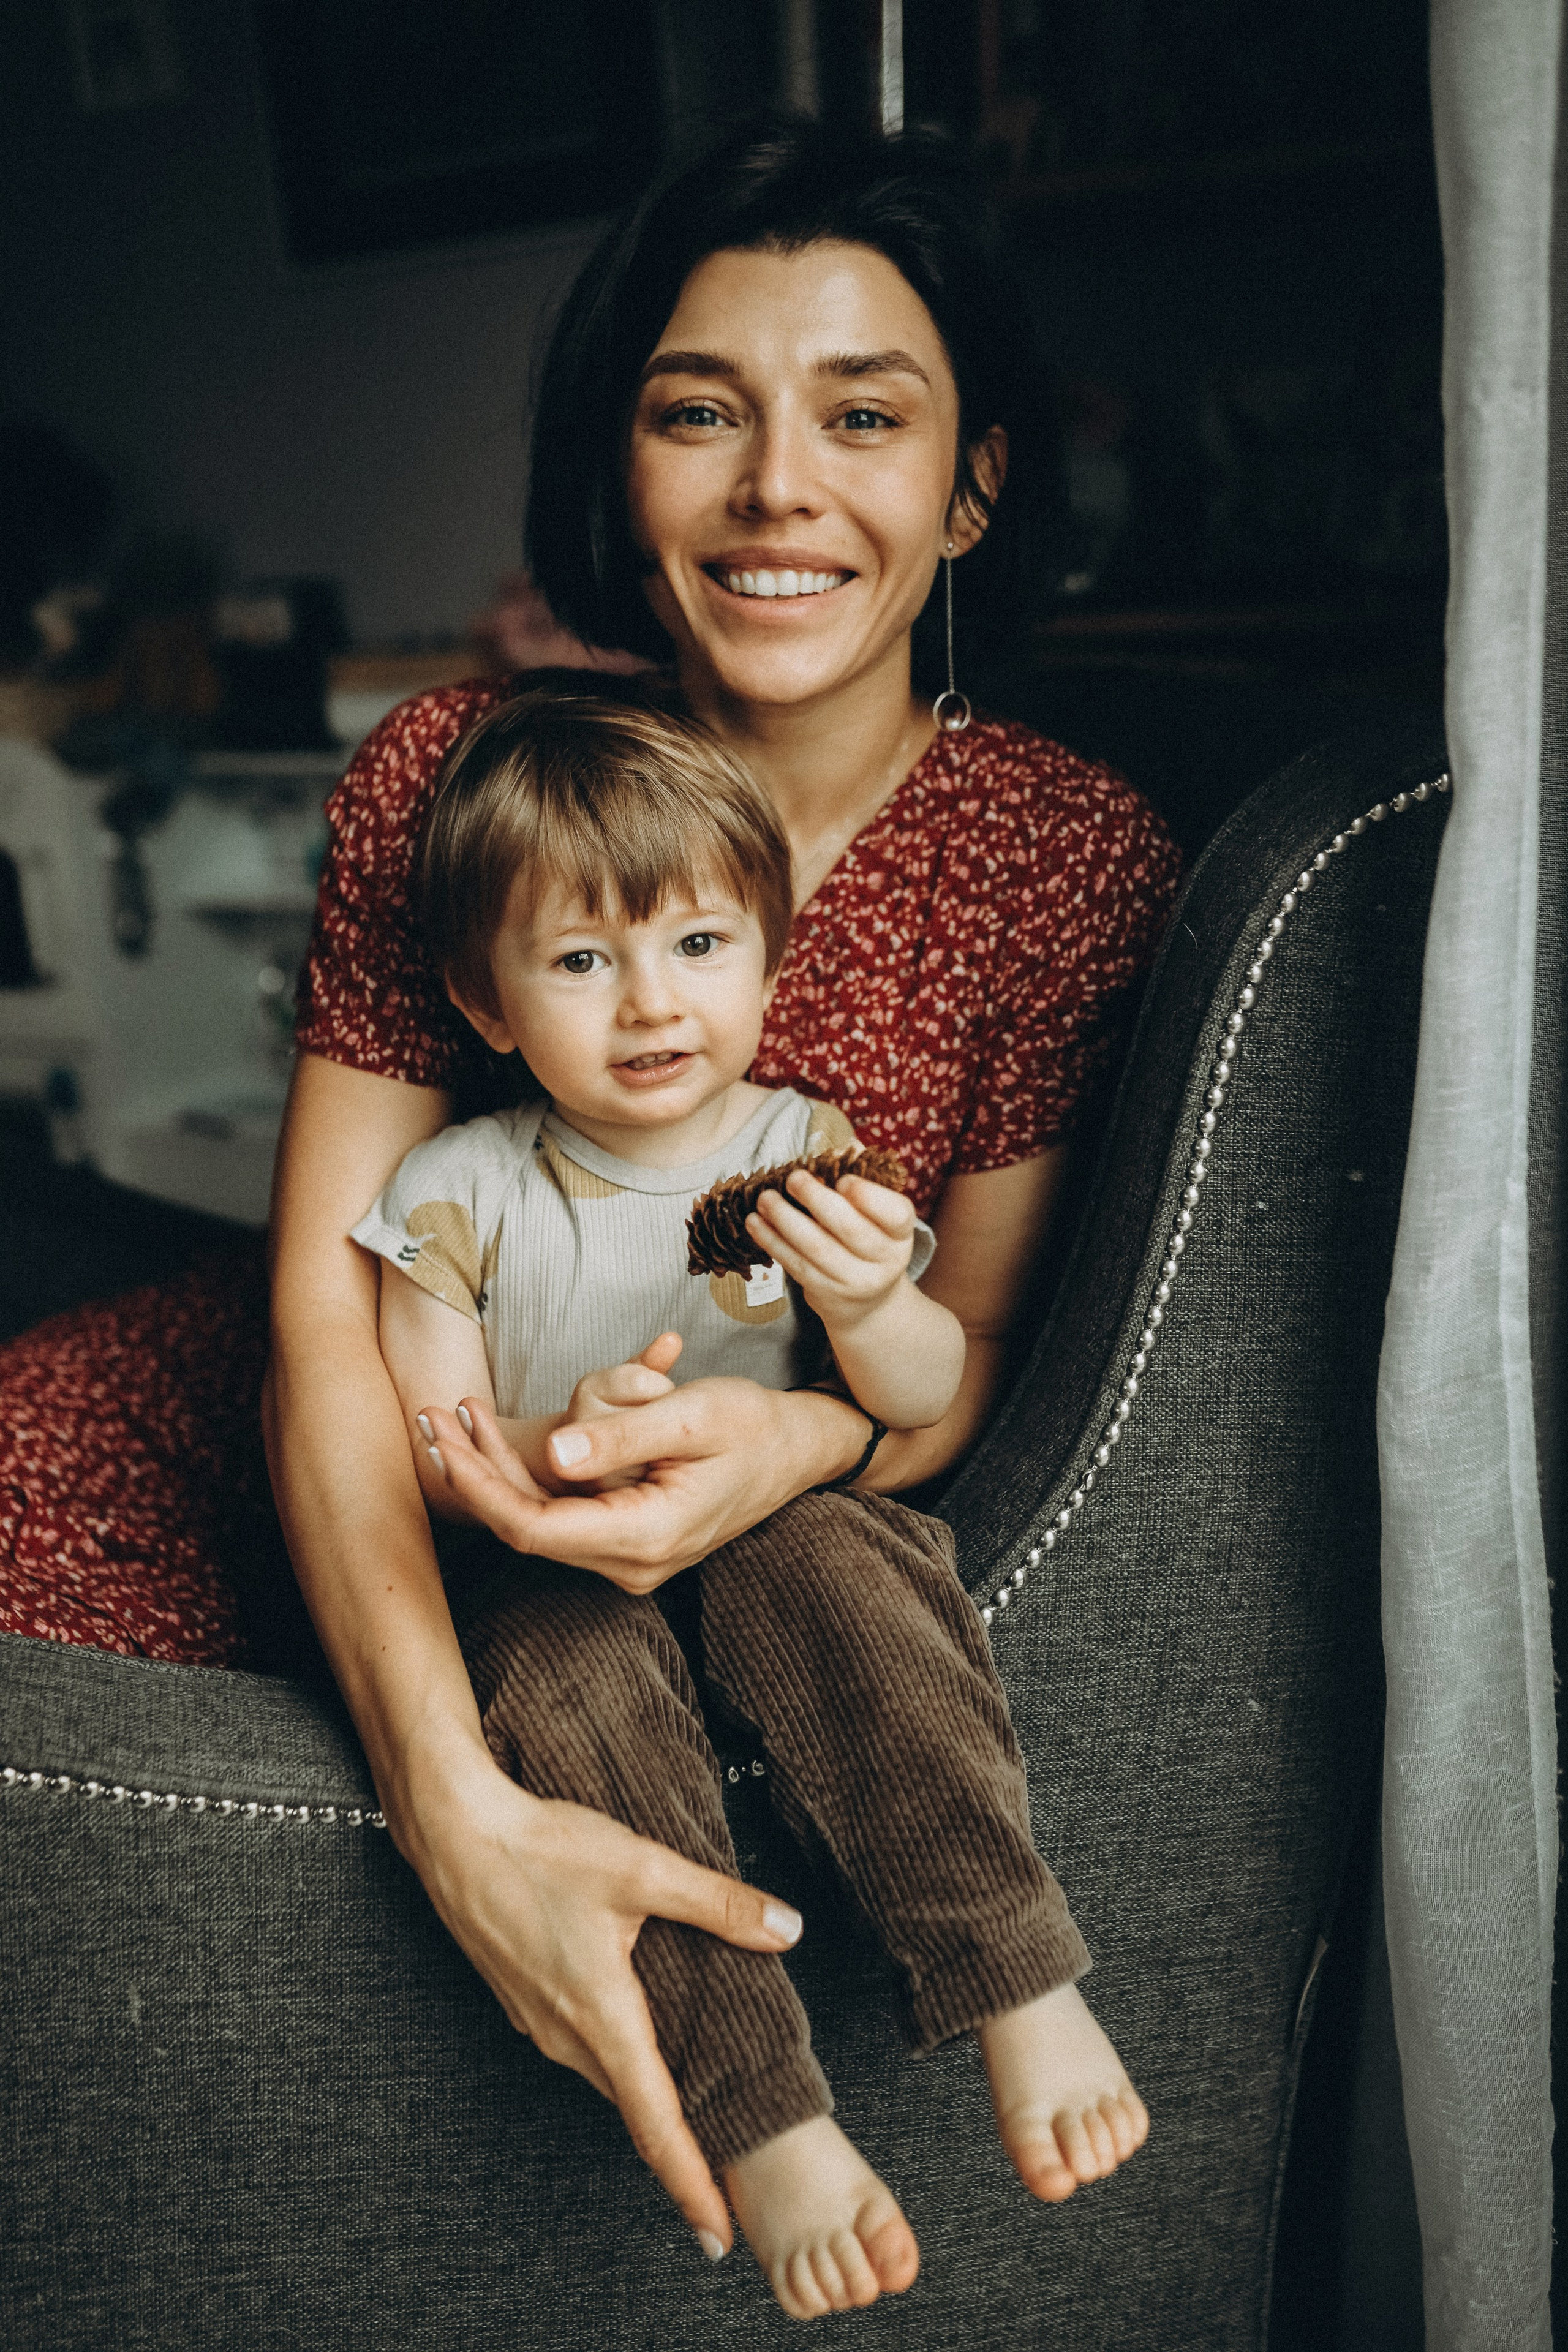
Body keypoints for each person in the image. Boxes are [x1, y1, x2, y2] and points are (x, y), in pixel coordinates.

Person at [0, 118, 1179, 2318]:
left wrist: (800, 1438)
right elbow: (330, 1316)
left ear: (974, 487)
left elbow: (982, 1367)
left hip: (726, 1539)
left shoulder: (1059, 857)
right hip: (306, 1450)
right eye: (698, 411)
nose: (776, 488)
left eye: (866, 415)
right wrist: (449, 1801)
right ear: (623, 468)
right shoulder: (457, 777)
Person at [353, 690, 1147, 2317]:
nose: (652, 1000)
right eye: (582, 962)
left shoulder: (804, 1151)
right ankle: (766, 2116)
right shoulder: (455, 1189)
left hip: (771, 1532)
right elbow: (433, 1439)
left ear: (770, 962)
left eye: (700, 945)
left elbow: (919, 1393)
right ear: (486, 1002)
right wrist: (560, 1444)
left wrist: (870, 1307)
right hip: (551, 1564)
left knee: (849, 1570)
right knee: (568, 1693)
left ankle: (1013, 1972)